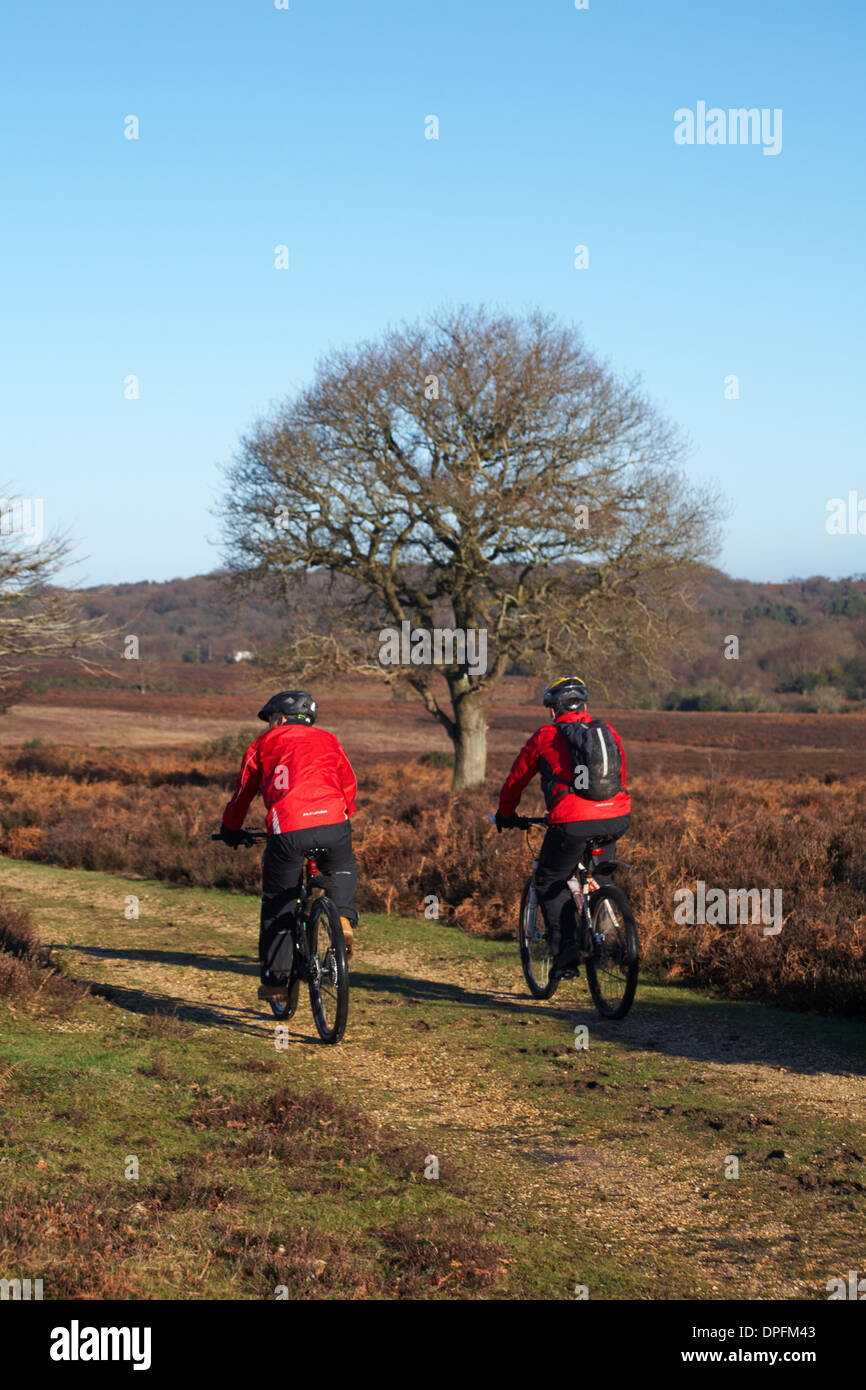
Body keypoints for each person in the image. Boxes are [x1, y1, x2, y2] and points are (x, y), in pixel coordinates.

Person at [216, 690, 359, 1002]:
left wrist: (230, 830)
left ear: (279, 718)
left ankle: (277, 983)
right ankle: (343, 918)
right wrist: (345, 811)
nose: (270, 725)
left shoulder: (262, 744)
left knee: (279, 903)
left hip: (290, 828)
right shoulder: (330, 740)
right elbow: (348, 782)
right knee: (344, 865)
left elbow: (243, 793)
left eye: (270, 719)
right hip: (334, 822)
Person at [495, 676, 630, 976]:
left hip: (571, 821)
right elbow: (617, 777)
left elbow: (516, 781)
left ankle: (566, 953)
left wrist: (506, 814)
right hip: (616, 815)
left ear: (553, 711)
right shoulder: (607, 732)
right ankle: (610, 937)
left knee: (549, 880)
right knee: (599, 873)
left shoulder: (545, 735)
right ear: (585, 705)